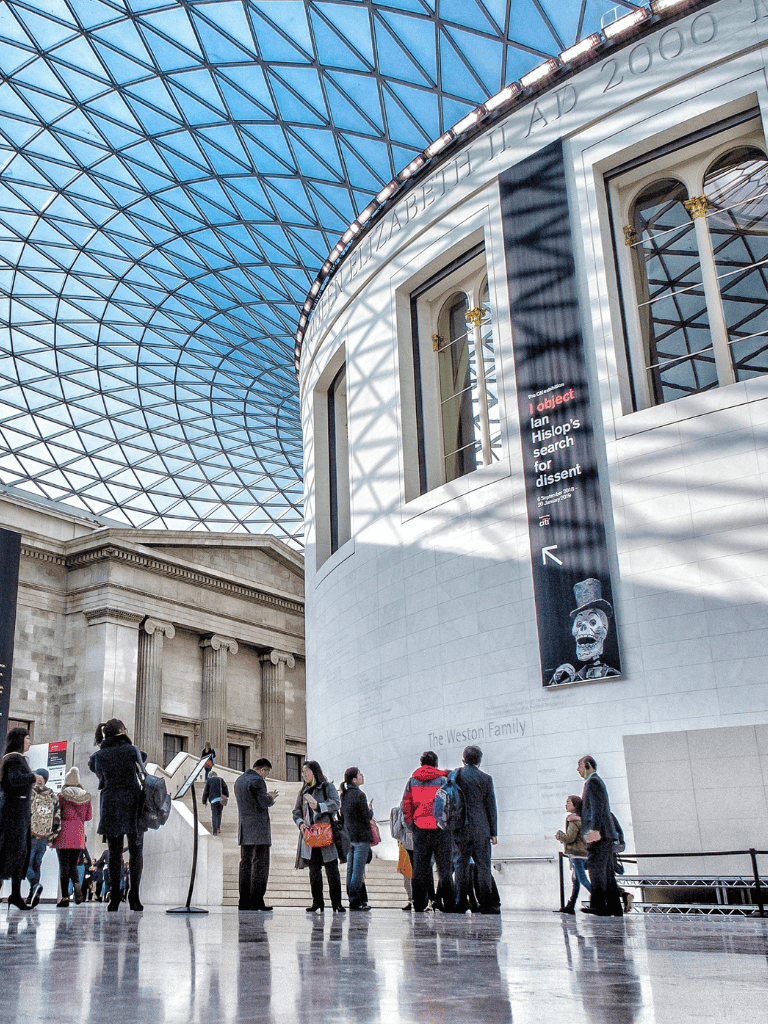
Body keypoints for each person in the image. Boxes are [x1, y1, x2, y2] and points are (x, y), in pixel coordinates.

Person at [88, 719, 146, 912]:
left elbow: (93, 768)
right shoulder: (131, 750)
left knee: (114, 854)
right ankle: (135, 897)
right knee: (136, 851)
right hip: (132, 802)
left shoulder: (99, 755)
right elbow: (142, 758)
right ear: (122, 731)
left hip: (111, 803)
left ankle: (113, 899)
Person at [401, 751, 455, 913]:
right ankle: (450, 904)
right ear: (436, 764)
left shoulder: (412, 781)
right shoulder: (442, 781)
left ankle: (419, 904)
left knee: (420, 869)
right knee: (445, 869)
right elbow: (449, 805)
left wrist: (413, 825)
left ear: (421, 763)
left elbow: (406, 807)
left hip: (420, 830)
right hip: (440, 830)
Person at [453, 745, 499, 914]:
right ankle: (486, 903)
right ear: (479, 760)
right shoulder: (486, 779)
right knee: (483, 866)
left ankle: (459, 902)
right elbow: (491, 807)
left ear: (463, 759)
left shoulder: (455, 776)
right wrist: (493, 832)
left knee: (461, 866)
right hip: (481, 828)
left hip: (460, 828)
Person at [293, 760, 344, 913]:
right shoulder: (303, 792)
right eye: (302, 773)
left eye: (306, 772)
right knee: (314, 871)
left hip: (325, 835)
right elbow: (296, 812)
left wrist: (319, 806)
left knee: (332, 870)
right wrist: (301, 823)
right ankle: (317, 903)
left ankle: (337, 903)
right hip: (310, 836)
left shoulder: (327, 787)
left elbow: (336, 803)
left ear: (314, 772)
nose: (304, 775)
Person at [578, 754, 623, 917]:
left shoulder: (593, 782)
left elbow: (597, 808)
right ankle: (614, 907)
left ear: (588, 765)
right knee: (607, 873)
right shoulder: (594, 782)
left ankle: (599, 906)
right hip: (604, 834)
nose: (578, 769)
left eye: (580, 766)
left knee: (596, 869)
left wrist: (594, 829)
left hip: (599, 834)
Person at [234, 757, 278, 911]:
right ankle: (257, 901)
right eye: (266, 773)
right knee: (260, 865)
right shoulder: (257, 781)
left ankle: (244, 901)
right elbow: (263, 802)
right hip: (259, 831)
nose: (265, 776)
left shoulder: (239, 781)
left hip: (245, 830)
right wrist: (270, 797)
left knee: (245, 865)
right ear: (262, 770)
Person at [0, 727, 36, 910]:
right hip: (16, 814)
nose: (29, 742)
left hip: (17, 813)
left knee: (17, 853)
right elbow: (15, 779)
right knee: (15, 853)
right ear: (20, 740)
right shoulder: (15, 759)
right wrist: (32, 777)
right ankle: (15, 894)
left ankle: (15, 894)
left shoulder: (12, 758)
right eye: (27, 738)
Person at [53, 766, 93, 907]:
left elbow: (56, 813)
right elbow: (88, 817)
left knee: (63, 866)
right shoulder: (86, 797)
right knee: (74, 865)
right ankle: (76, 883)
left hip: (64, 832)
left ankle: (64, 898)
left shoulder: (62, 796)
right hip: (78, 834)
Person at [26, 767, 61, 907]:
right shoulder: (52, 795)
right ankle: (32, 897)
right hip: (44, 836)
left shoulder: (30, 792)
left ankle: (35, 885)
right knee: (36, 864)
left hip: (30, 834)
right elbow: (57, 818)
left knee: (25, 863)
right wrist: (52, 838)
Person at [340, 767, 373, 911]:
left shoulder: (344, 795)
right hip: (361, 837)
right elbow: (366, 817)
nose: (362, 776)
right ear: (354, 779)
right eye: (360, 774)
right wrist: (370, 810)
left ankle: (352, 898)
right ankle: (355, 900)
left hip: (350, 837)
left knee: (350, 870)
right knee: (358, 871)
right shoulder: (360, 795)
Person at [555, 794, 590, 914]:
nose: (566, 805)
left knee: (582, 880)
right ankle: (570, 905)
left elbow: (570, 838)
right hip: (582, 854)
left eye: (568, 802)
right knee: (576, 881)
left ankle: (602, 901)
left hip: (576, 855)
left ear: (574, 805)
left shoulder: (573, 820)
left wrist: (560, 835)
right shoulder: (582, 818)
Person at [202, 770, 229, 836]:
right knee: (219, 814)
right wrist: (226, 796)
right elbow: (225, 788)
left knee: (214, 815)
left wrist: (204, 801)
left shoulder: (209, 781)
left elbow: (206, 792)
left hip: (213, 801)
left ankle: (214, 832)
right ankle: (218, 828)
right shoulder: (220, 779)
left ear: (210, 776)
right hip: (220, 800)